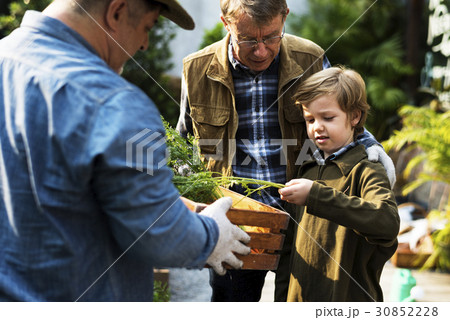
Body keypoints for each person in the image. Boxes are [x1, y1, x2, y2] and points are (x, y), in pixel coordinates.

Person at [0, 0, 251, 302]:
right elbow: (159, 234)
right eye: (147, 28)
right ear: (116, 11)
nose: (144, 45)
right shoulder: (114, 103)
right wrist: (212, 234)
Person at [176, 0, 396, 302]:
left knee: (296, 299)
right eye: (248, 39)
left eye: (271, 37)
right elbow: (184, 141)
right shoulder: (197, 68)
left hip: (302, 218)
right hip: (240, 221)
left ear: (285, 18)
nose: (261, 50)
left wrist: (371, 146)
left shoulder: (311, 57)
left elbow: (338, 109)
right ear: (226, 24)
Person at [279, 66, 400, 302]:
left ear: (354, 117)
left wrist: (315, 196)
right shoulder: (307, 170)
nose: (317, 127)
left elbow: (387, 222)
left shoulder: (367, 168)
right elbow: (289, 254)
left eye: (328, 118)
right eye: (310, 119)